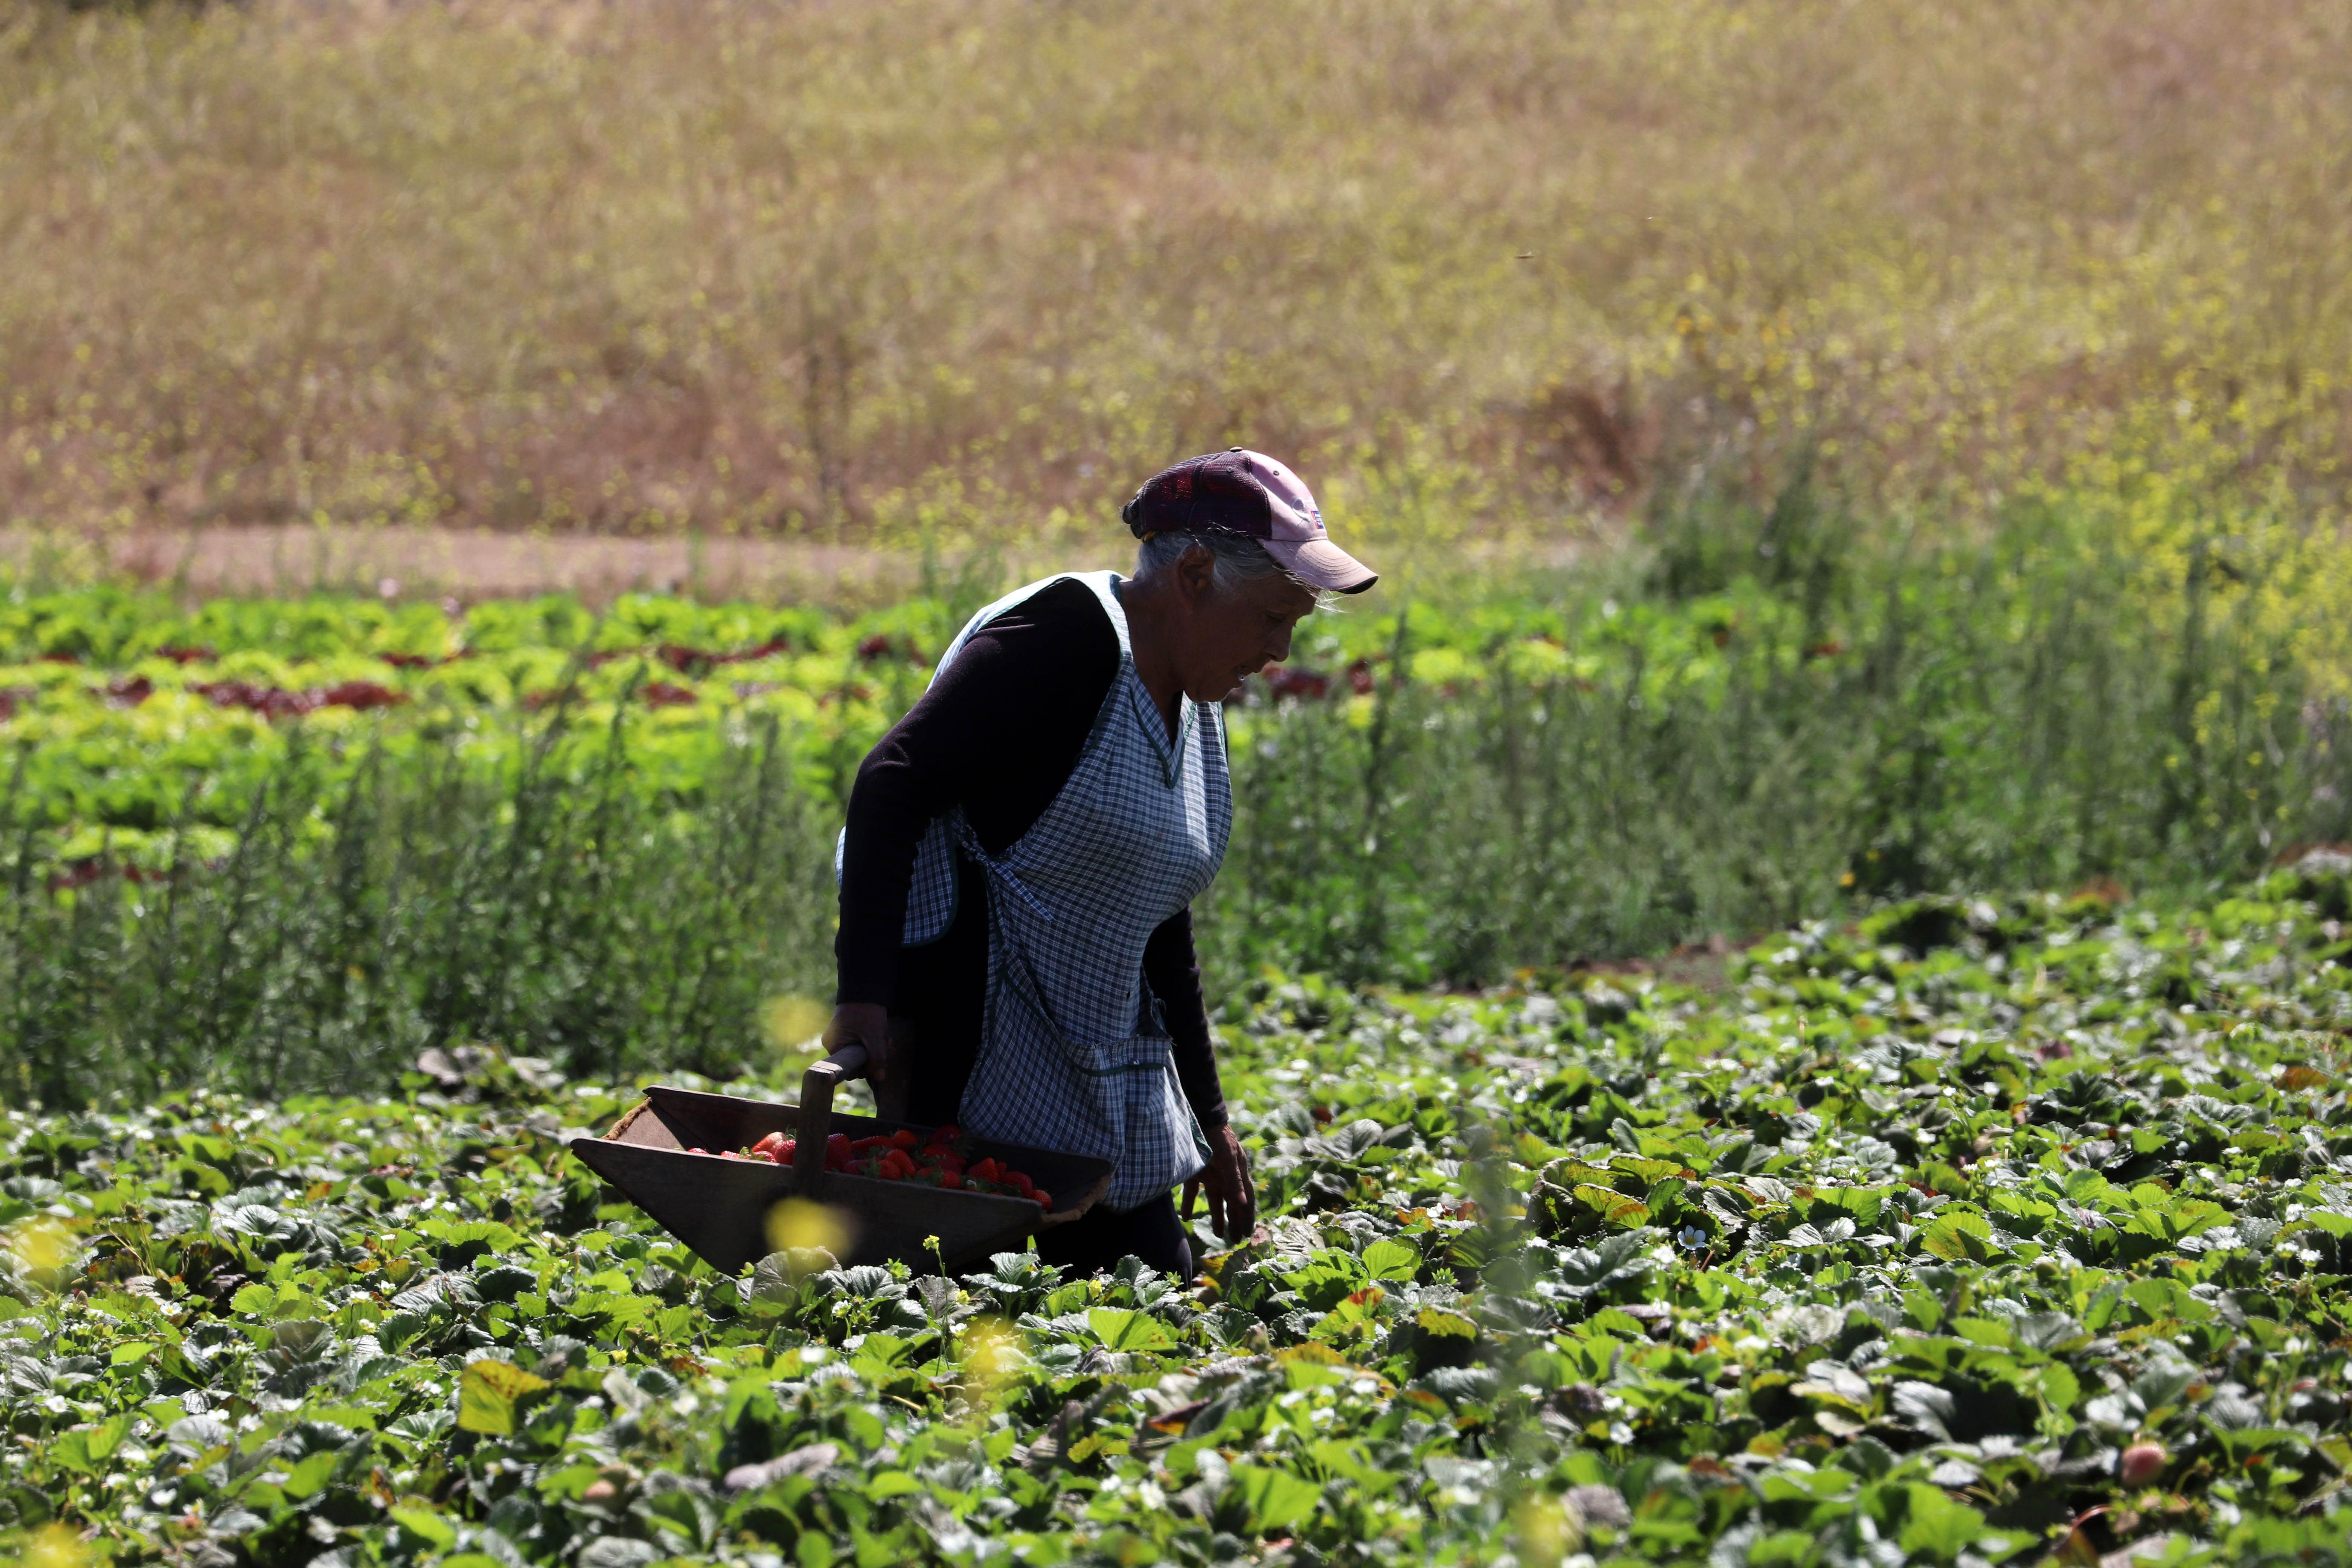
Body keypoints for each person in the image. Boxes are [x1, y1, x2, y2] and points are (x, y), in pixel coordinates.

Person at [825, 448, 1379, 1279]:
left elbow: (1156, 912)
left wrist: (1210, 1113)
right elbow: (892, 784)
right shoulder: (1067, 640)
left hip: (1093, 1070)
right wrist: (864, 995)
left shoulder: (1196, 696)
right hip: (969, 1057)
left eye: (1292, 623)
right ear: (1193, 575)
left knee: (1153, 1293)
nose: (1277, 648)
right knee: (967, 1319)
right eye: (1270, 616)